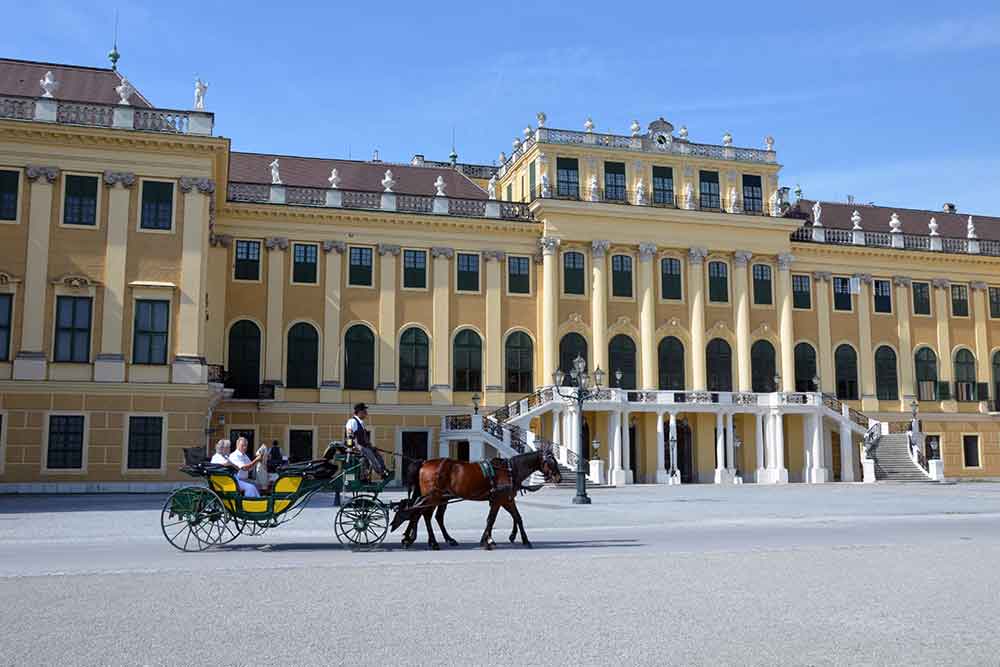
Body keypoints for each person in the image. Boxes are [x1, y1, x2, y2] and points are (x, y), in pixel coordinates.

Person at [345, 403, 388, 480]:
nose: (366, 414)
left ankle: (383, 469)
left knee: (376, 452)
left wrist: (371, 446)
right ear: (359, 412)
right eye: (365, 412)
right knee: (369, 453)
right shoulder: (352, 421)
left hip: (363, 446)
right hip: (357, 447)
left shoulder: (360, 423)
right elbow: (350, 435)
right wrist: (352, 447)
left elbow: (363, 438)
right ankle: (380, 472)